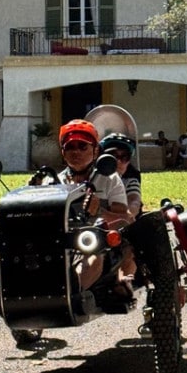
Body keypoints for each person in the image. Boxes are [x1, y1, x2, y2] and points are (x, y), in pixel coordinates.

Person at [56, 119, 128, 290]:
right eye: (70, 147)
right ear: (63, 152)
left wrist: (99, 212)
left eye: (82, 146)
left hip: (97, 242)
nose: (76, 152)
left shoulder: (109, 179)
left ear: (95, 151)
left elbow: (125, 220)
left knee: (94, 257)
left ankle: (74, 294)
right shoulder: (55, 182)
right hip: (62, 242)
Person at [98, 132, 142, 283]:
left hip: (118, 228)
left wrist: (128, 213)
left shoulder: (130, 181)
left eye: (125, 157)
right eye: (112, 155)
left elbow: (134, 201)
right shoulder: (95, 180)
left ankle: (125, 281)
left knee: (126, 247)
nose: (119, 161)